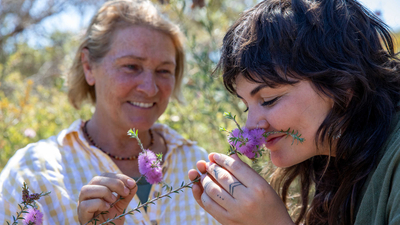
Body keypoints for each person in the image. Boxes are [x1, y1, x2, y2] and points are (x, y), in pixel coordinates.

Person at [0, 0, 217, 224]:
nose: (150, 88)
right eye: (131, 66)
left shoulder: (198, 165)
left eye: (163, 71)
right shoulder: (31, 174)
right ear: (88, 67)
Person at [188, 0, 400, 224]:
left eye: (269, 100)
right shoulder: (338, 168)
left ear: (342, 85)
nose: (250, 125)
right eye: (246, 105)